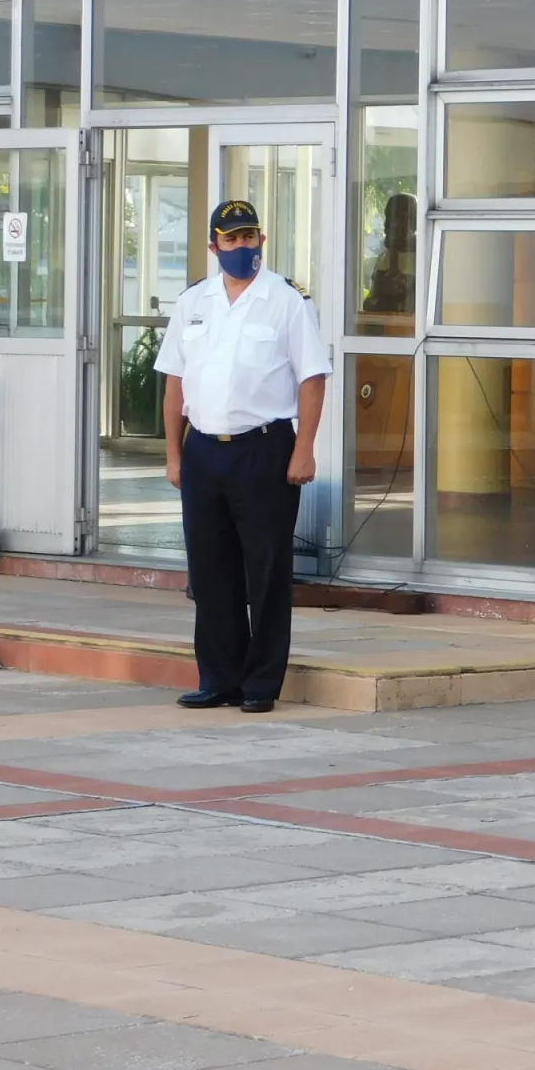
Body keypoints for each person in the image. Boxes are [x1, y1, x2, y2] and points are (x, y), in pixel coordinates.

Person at [157, 200, 330, 713]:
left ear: (262, 241)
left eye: (249, 237)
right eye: (231, 240)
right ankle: (219, 678)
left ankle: (259, 684)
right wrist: (173, 454)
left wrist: (305, 448)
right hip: (205, 452)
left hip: (264, 449)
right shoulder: (194, 302)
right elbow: (174, 386)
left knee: (267, 571)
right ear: (214, 246)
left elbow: (312, 379)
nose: (242, 248)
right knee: (211, 573)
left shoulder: (287, 301)